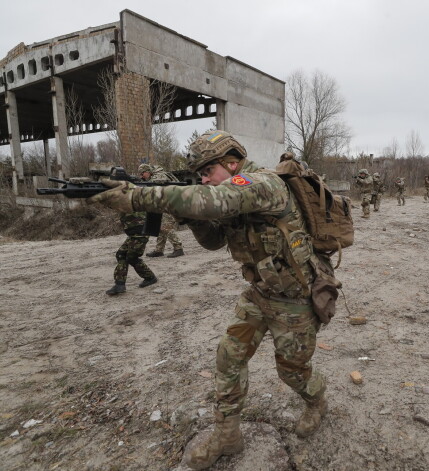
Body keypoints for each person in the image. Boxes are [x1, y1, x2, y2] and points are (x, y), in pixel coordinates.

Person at [89, 130, 337, 470]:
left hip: (294, 299)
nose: (203, 180)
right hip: (259, 294)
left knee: (292, 373)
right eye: (199, 175)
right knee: (228, 359)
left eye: (207, 172)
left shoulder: (263, 184)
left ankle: (317, 402)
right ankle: (227, 435)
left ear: (231, 163)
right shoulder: (230, 191)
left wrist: (137, 197)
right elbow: (214, 241)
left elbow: (212, 201)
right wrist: (192, 220)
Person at [106, 210, 158, 295]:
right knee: (121, 254)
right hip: (134, 234)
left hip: (140, 233)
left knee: (131, 257)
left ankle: (150, 278)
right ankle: (120, 284)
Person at [138, 163, 185, 258]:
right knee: (160, 226)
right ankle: (159, 250)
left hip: (171, 203)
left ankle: (178, 248)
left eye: (142, 173)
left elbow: (157, 187)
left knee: (166, 226)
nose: (141, 176)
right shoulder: (153, 177)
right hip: (164, 204)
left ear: (148, 171)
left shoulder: (160, 175)